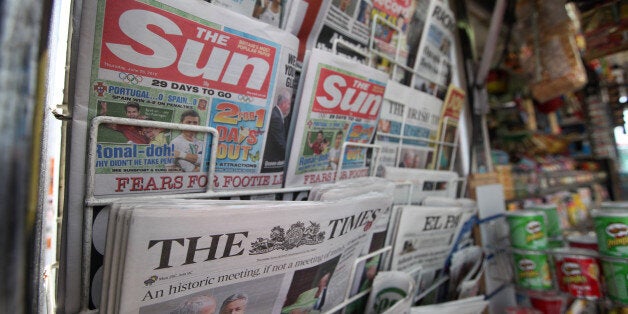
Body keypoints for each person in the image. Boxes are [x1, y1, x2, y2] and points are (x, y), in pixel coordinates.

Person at [261, 91, 292, 173]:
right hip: (271, 161)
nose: (289, 107)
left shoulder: (276, 114)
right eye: (289, 104)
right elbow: (280, 143)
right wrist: (292, 155)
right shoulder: (276, 118)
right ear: (284, 103)